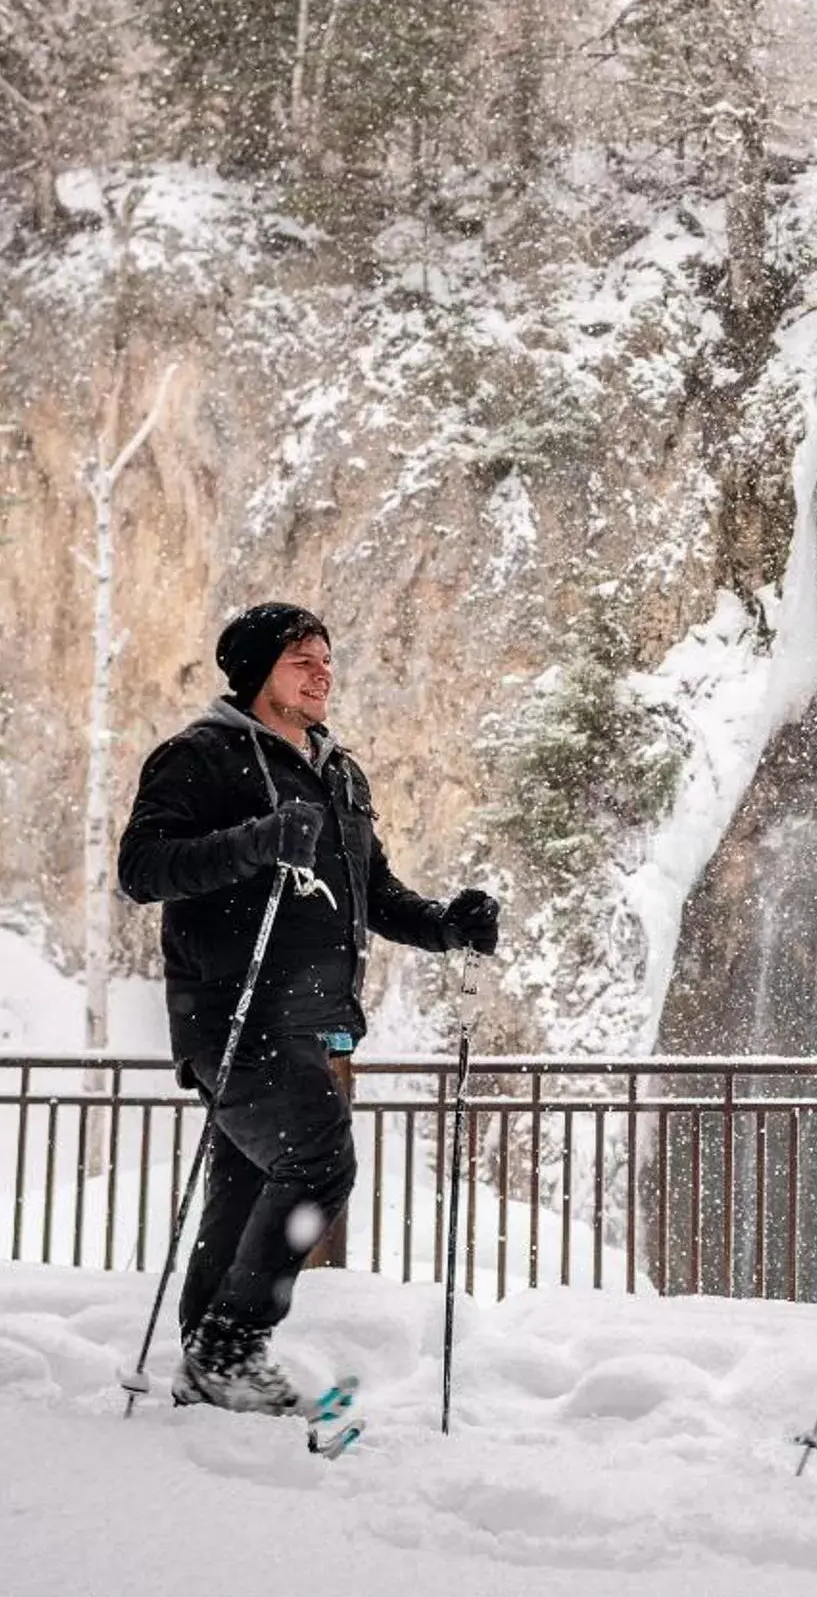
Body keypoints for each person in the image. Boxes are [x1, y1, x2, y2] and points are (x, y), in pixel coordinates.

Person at [118, 601, 501, 1414]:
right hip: (232, 1010)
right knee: (318, 1159)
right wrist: (255, 842)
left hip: (309, 1017)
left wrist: (444, 925)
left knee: (246, 1187)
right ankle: (230, 1348)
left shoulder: (339, 772)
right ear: (257, 672)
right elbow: (143, 867)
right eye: (302, 659)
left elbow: (373, 893)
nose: (322, 672)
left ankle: (206, 1366)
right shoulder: (199, 757)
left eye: (327, 658)